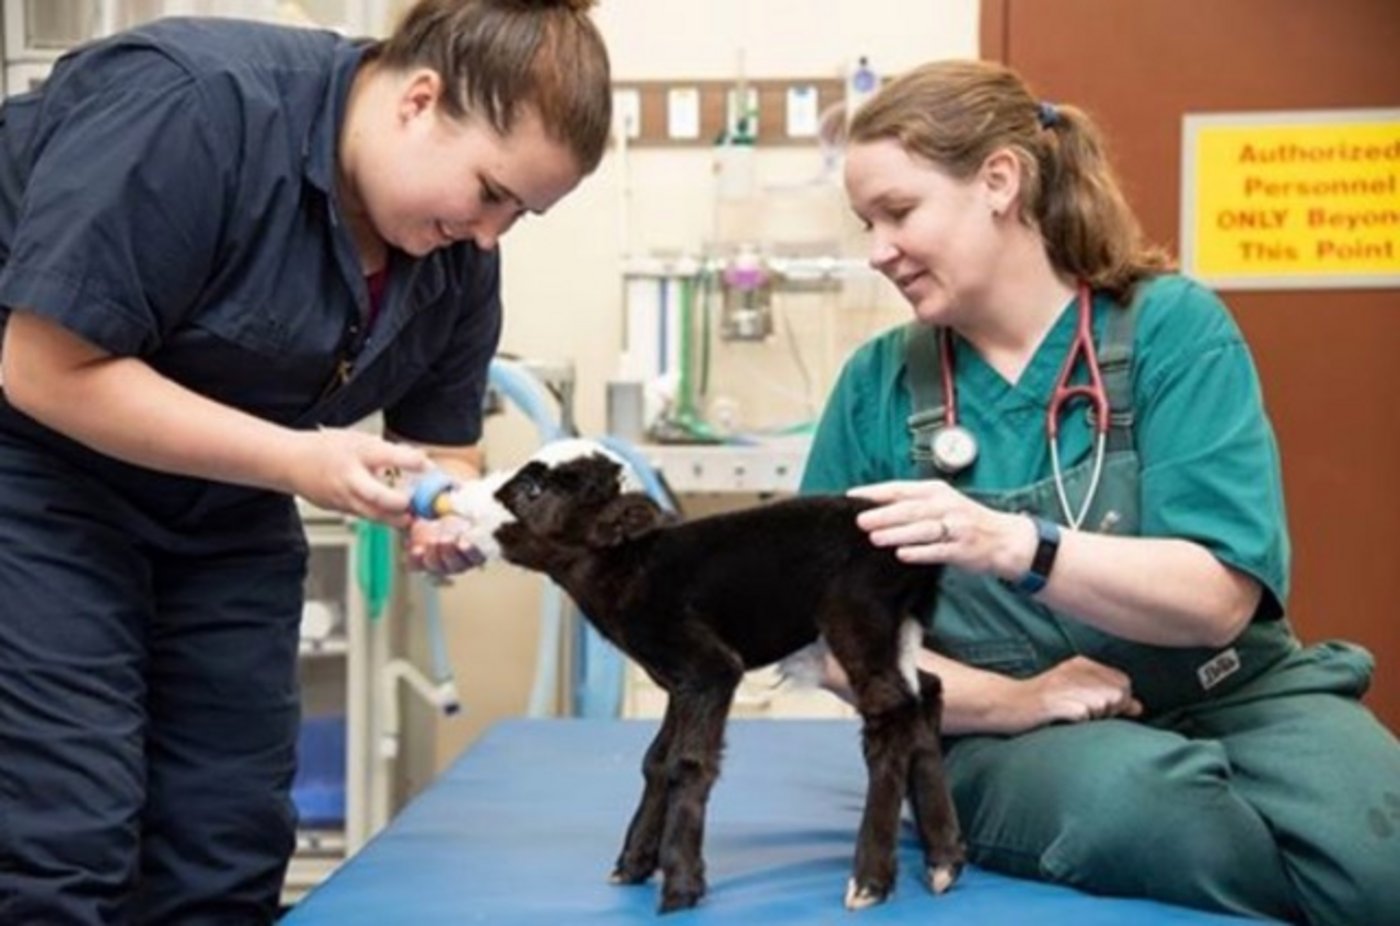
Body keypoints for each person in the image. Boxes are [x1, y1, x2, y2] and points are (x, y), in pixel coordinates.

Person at [0, 1, 609, 922]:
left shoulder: (453, 255)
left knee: (226, 835)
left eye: (519, 214)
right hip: (33, 473)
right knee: (66, 834)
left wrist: (440, 517)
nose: (490, 234)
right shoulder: (195, 108)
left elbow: (443, 446)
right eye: (489, 192)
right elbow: (44, 370)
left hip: (227, 500)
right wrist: (300, 459)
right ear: (418, 100)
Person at [803, 59, 1400, 925]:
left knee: (1382, 864)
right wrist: (1014, 701)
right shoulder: (877, 387)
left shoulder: (1173, 330)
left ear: (999, 181)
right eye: (866, 222)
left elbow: (1218, 600)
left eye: (899, 212)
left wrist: (1014, 542)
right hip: (1009, 737)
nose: (876, 250)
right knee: (1163, 818)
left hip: (1238, 690)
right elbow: (834, 649)